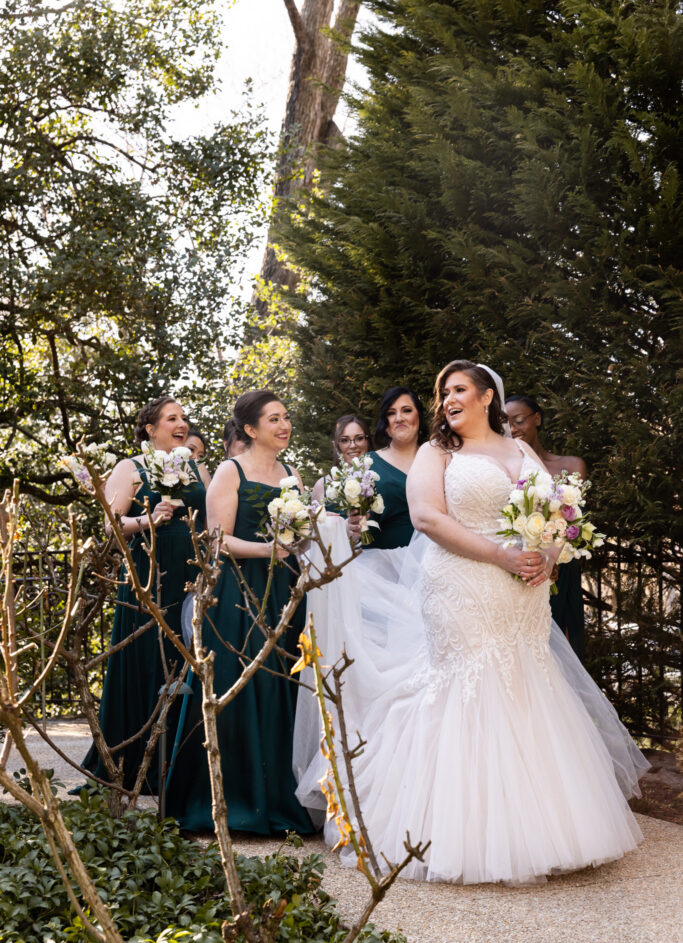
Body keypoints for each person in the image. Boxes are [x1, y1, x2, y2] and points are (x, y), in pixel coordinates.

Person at [295, 361, 647, 885]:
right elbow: (427, 519)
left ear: (487, 397)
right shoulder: (438, 454)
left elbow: (556, 514)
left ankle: (542, 827)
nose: (449, 399)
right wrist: (499, 556)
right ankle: (454, 830)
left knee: (526, 679)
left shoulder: (522, 451)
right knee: (468, 681)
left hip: (524, 593)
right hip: (460, 582)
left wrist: (547, 555)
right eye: (444, 393)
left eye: (459, 389)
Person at [166, 390, 314, 835]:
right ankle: (221, 802)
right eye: (273, 419)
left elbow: (302, 533)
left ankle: (273, 800)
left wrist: (302, 545)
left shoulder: (293, 474)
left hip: (282, 593)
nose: (284, 425)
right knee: (233, 684)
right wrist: (271, 550)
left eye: (286, 417)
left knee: (275, 684)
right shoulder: (229, 472)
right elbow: (217, 540)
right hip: (235, 593)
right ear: (250, 430)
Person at [82, 396, 207, 793]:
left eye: (184, 418)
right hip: (148, 576)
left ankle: (181, 767)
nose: (182, 423)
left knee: (187, 661)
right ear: (150, 429)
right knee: (147, 658)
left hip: (193, 576)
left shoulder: (198, 469)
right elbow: (110, 525)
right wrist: (148, 519)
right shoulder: (130, 468)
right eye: (172, 418)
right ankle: (134, 762)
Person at [506, 394, 587, 660]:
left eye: (519, 420)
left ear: (537, 419)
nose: (514, 429)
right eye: (507, 424)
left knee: (564, 651)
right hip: (525, 569)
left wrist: (555, 561)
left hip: (561, 569)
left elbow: (571, 518)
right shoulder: (506, 471)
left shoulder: (570, 465)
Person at [366, 386, 426, 549]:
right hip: (379, 565)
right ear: (385, 422)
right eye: (391, 413)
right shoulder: (368, 464)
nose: (399, 418)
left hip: (432, 561)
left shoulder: (436, 458)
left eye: (406, 410)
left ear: (419, 416)